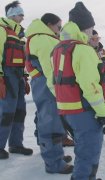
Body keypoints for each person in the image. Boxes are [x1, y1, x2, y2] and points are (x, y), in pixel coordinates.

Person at [51, 2, 105, 180]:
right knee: (88, 152)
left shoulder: (58, 49)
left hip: (65, 111)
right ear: (84, 28)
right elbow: (90, 86)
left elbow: (51, 82)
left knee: (82, 148)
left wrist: (64, 102)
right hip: (84, 112)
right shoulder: (83, 50)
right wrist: (103, 112)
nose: (93, 33)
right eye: (91, 28)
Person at [25, 13, 73, 174]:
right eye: (58, 27)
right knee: (51, 121)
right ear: (49, 24)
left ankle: (52, 154)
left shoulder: (41, 37)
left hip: (42, 83)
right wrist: (58, 92)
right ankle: (54, 162)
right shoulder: (44, 39)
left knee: (45, 117)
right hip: (47, 84)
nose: (60, 30)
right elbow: (50, 69)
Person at [0, 0, 32, 159]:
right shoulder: (1, 30)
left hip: (18, 75)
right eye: (21, 14)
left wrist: (25, 77)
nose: (23, 18)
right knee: (6, 111)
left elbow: (22, 59)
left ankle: (15, 144)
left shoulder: (20, 34)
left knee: (20, 110)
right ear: (12, 14)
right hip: (6, 74)